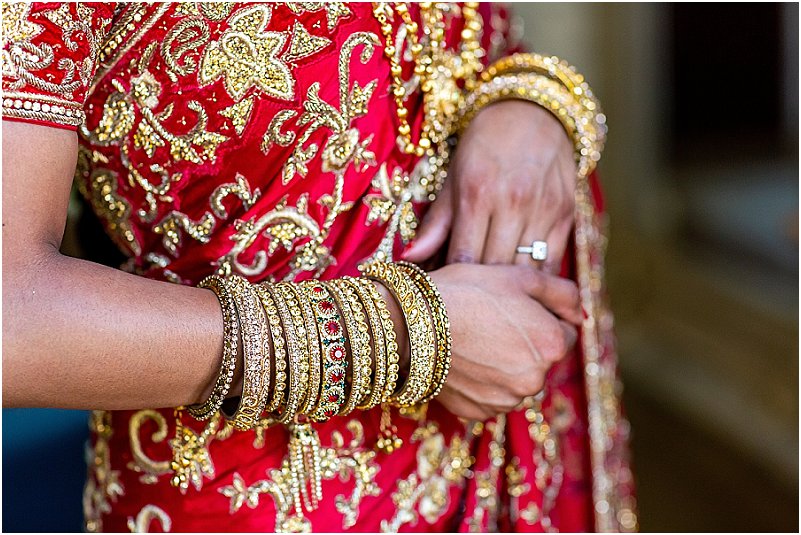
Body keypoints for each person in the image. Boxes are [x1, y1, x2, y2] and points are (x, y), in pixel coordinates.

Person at [2, 2, 637, 532]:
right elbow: (12, 318)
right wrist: (405, 337)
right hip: (261, 493)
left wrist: (524, 102)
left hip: (511, 428)